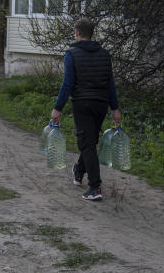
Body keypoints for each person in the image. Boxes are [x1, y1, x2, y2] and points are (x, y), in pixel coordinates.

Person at [50, 17, 121, 201]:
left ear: (76, 32)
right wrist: (115, 108)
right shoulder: (105, 54)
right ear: (92, 33)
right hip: (101, 104)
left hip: (82, 103)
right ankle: (79, 171)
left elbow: (68, 84)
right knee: (90, 141)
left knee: (86, 143)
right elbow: (110, 83)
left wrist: (58, 108)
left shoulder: (71, 54)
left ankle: (95, 187)